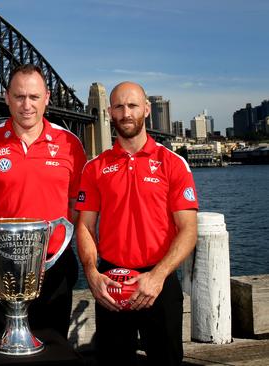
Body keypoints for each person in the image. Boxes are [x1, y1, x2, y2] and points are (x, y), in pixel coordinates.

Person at [75, 81, 198, 366]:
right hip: (111, 282)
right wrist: (92, 274)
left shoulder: (173, 164)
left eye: (132, 105)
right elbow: (84, 226)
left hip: (159, 280)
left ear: (146, 109)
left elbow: (189, 230)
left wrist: (156, 277)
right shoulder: (95, 167)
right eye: (119, 106)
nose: (126, 112)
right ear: (109, 112)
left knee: (166, 360)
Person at [0, 64, 87, 338]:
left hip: (53, 266)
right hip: (1, 267)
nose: (27, 105)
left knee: (53, 345)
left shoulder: (70, 143)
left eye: (34, 97)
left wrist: (56, 242)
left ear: (46, 97)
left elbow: (76, 206)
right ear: (6, 97)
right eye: (19, 97)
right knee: (1, 346)